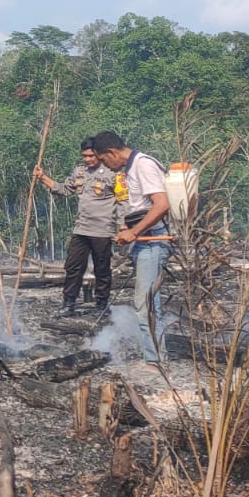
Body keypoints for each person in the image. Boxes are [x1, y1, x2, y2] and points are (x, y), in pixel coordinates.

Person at [90, 131, 172, 364]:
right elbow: (141, 205)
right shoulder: (131, 168)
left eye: (105, 160)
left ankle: (156, 362)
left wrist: (134, 232)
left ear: (112, 153)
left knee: (147, 303)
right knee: (146, 302)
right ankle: (155, 357)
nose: (106, 166)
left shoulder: (143, 165)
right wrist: (129, 226)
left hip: (154, 241)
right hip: (144, 240)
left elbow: (162, 204)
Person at [33, 137, 117, 316]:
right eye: (84, 156)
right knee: (73, 267)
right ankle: (69, 304)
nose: (87, 159)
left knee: (102, 268)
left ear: (99, 155)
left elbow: (124, 202)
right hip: (81, 229)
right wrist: (42, 177)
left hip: (102, 230)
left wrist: (124, 227)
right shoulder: (79, 172)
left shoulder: (113, 173)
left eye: (91, 156)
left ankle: (101, 304)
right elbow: (64, 189)